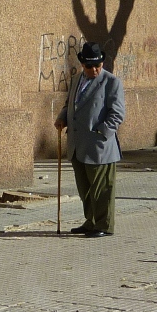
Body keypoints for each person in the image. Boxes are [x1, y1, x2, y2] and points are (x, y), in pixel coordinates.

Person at [54, 42, 125, 238]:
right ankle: (91, 221)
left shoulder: (111, 82)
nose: (94, 70)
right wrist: (62, 117)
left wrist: (101, 133)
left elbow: (117, 114)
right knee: (85, 188)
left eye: (98, 65)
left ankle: (104, 224)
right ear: (82, 64)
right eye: (90, 66)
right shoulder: (77, 80)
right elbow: (70, 105)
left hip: (100, 146)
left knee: (102, 190)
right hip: (78, 144)